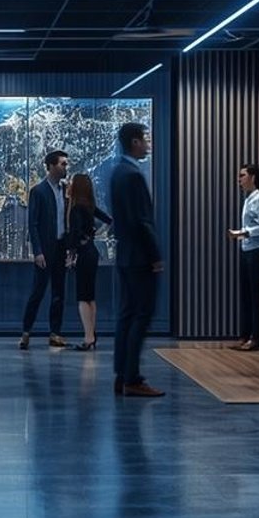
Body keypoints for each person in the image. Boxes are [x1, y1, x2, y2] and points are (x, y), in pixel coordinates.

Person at [110, 122, 164, 397]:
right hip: (140, 257)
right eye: (145, 140)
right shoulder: (132, 175)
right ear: (134, 142)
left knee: (127, 315)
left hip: (125, 256)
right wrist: (155, 256)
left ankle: (122, 375)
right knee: (142, 314)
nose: (147, 145)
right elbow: (142, 221)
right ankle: (132, 378)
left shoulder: (118, 172)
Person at [20, 150, 72, 350]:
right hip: (46, 250)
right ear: (50, 166)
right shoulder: (39, 191)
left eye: (66, 164)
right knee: (38, 292)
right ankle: (26, 331)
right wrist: (38, 251)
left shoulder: (65, 191)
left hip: (60, 247)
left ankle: (55, 333)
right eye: (62, 164)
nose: (65, 167)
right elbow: (33, 224)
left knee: (59, 292)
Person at [63, 172, 111, 351]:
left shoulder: (76, 208)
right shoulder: (89, 206)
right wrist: (93, 235)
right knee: (90, 296)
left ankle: (88, 336)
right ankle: (92, 335)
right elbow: (108, 221)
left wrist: (70, 255)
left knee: (82, 297)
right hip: (92, 252)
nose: (69, 184)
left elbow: (74, 234)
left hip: (83, 254)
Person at [229, 162, 259, 351]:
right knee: (245, 294)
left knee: (256, 295)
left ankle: (256, 337)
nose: (239, 180)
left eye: (242, 175)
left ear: (253, 177)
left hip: (256, 251)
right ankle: (244, 335)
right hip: (246, 250)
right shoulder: (247, 199)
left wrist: (241, 233)